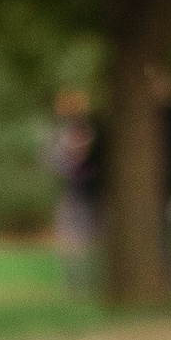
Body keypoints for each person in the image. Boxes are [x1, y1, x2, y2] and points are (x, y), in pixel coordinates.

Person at [45, 86, 100, 293]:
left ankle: (88, 282)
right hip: (72, 192)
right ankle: (74, 283)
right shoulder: (62, 131)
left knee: (87, 239)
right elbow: (53, 160)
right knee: (70, 240)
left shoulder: (88, 129)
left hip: (89, 192)